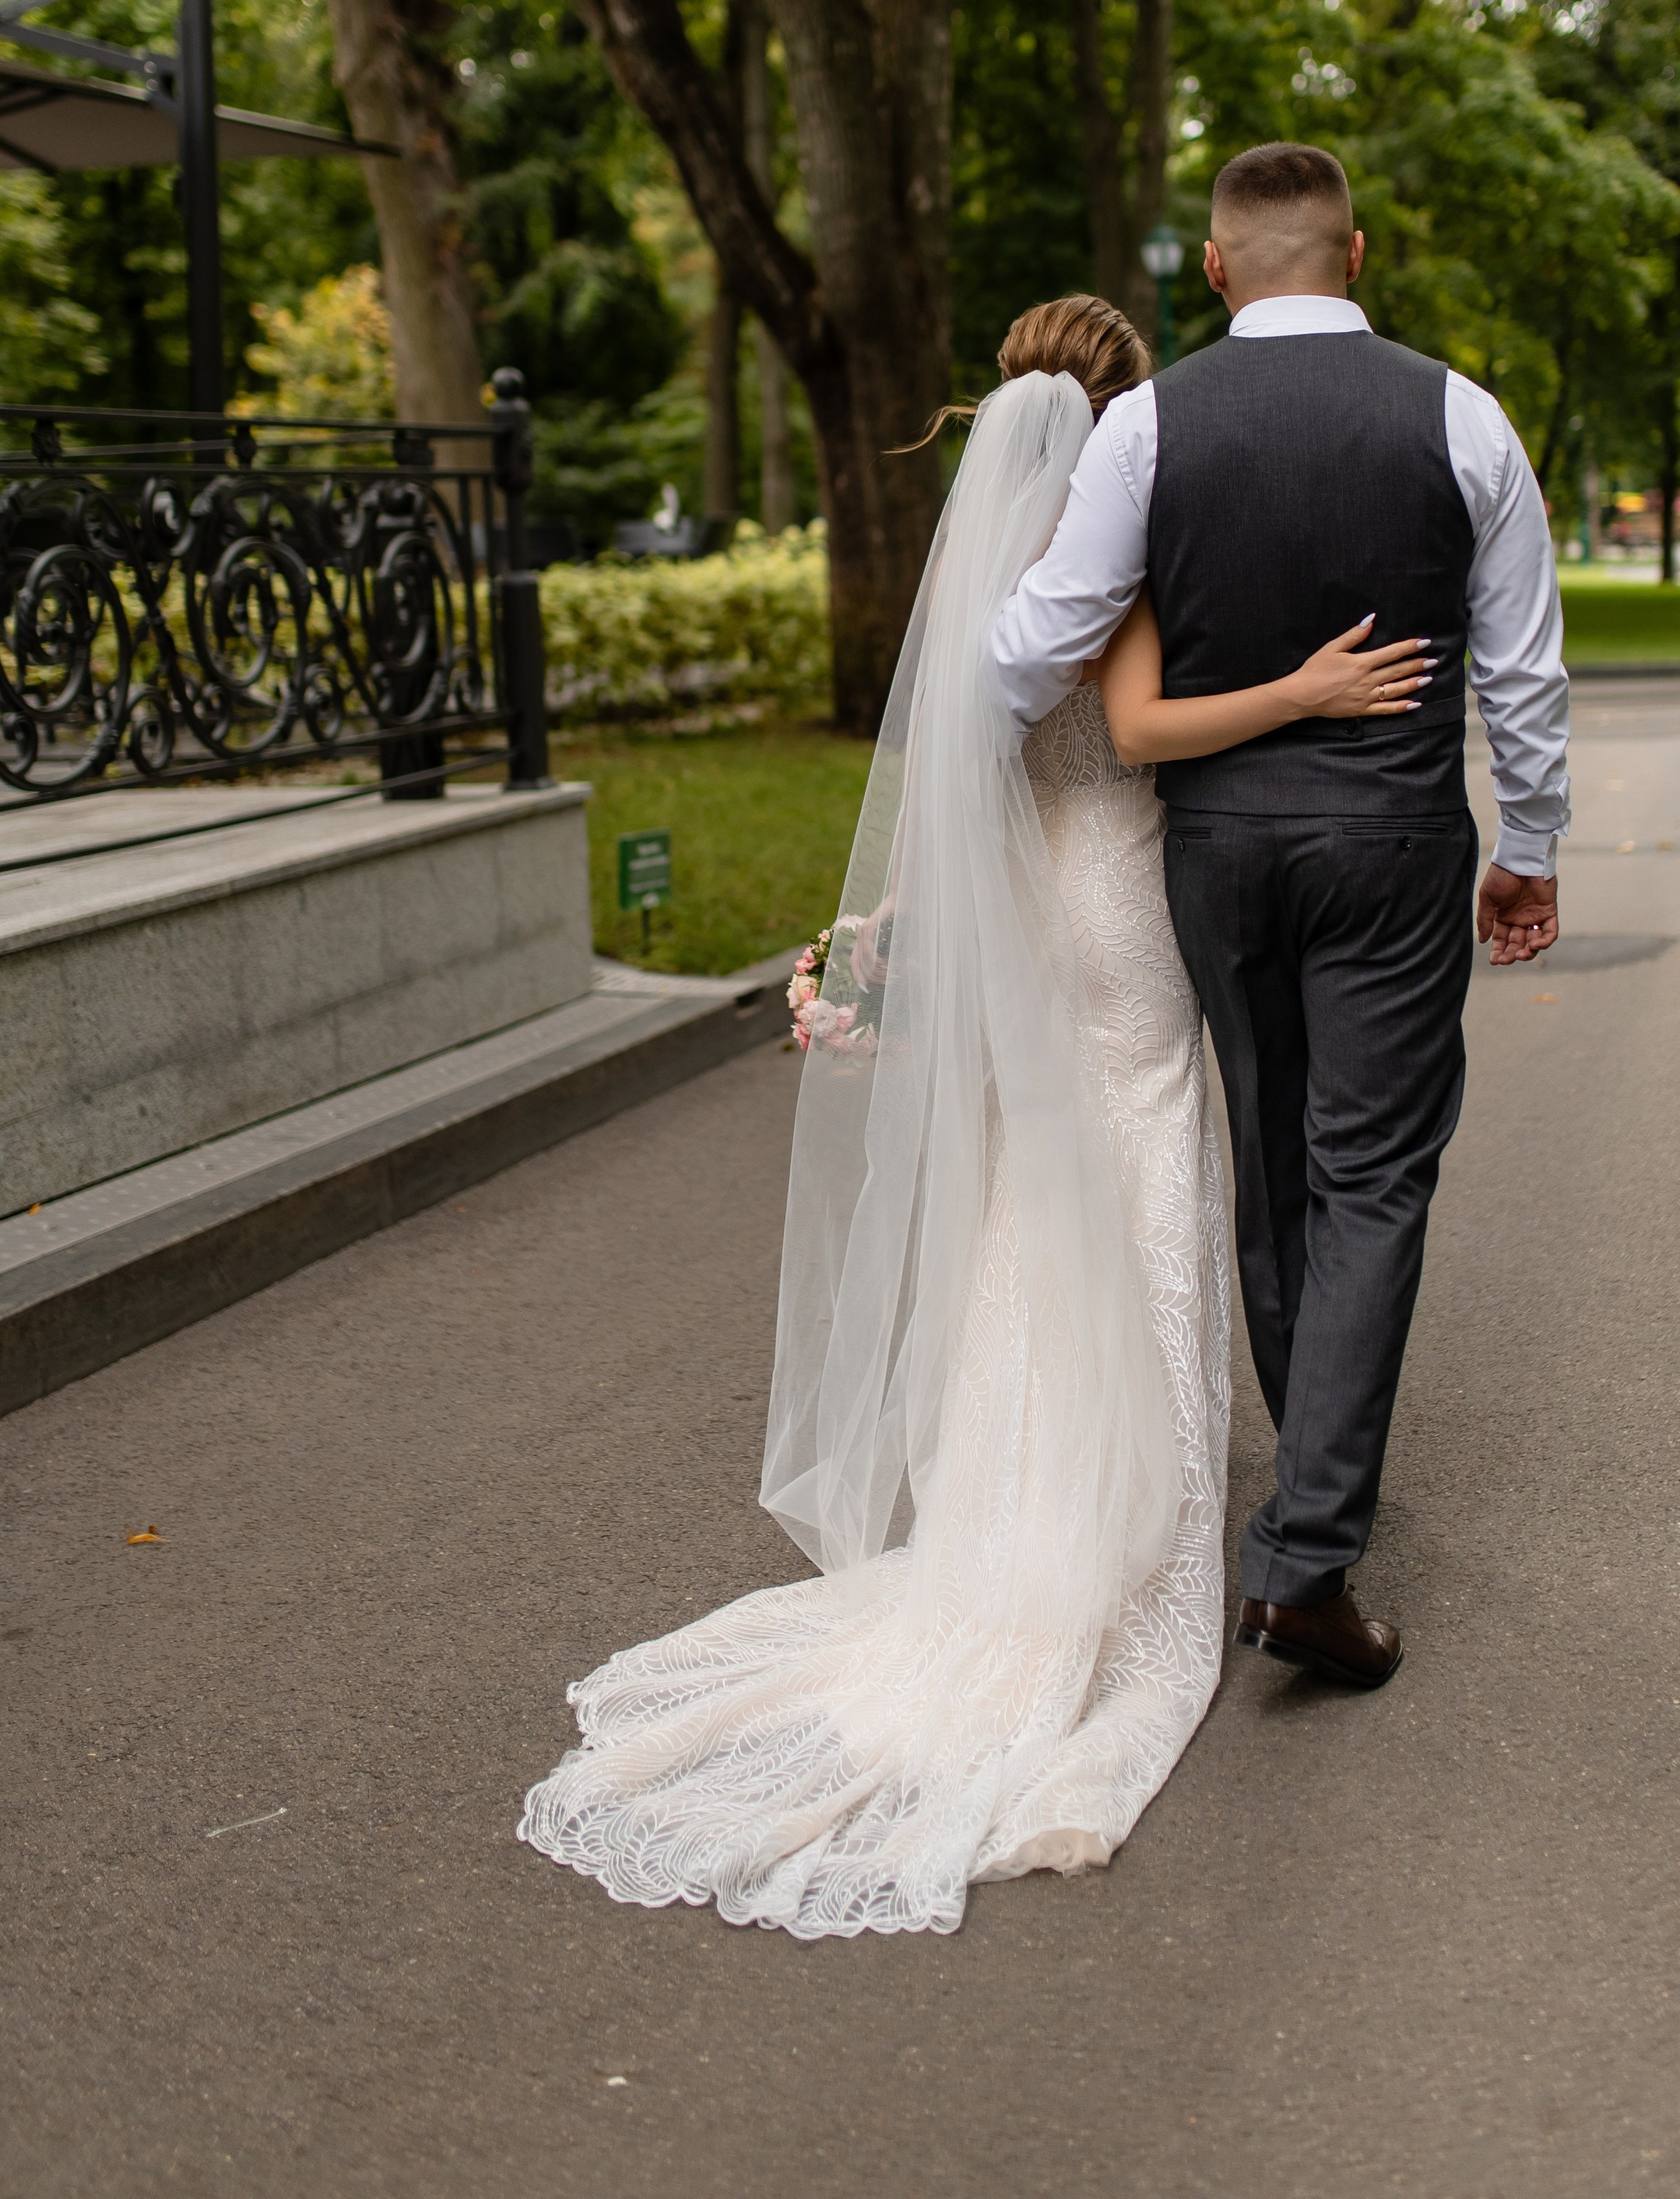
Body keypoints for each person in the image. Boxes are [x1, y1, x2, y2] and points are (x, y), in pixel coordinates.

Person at [525, 295, 1401, 1940]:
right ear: (1127, 413)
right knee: (1147, 1162)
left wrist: (885, 940)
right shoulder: (1116, 539)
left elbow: (946, 765)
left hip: (1011, 907)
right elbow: (1136, 731)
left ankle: (1008, 1508)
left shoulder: (982, 562)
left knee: (1021, 1194)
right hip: (1118, 901)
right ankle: (1125, 1530)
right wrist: (1304, 689)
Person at [990, 145, 1569, 1689]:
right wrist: (1532, 843)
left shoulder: (1150, 425)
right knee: (1370, 1175)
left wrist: (943, 792)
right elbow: (1518, 667)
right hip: (1389, 842)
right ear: (1356, 253)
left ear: (1213, 267)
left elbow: (1035, 641)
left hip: (1218, 852)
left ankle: (1302, 1514)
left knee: (1274, 1166)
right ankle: (1304, 1551)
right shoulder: (1460, 414)